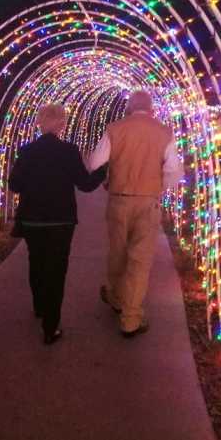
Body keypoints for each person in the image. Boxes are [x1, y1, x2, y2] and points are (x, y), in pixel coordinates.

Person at [8, 104, 106, 345]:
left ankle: (39, 305)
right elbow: (85, 184)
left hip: (32, 219)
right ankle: (50, 327)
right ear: (62, 124)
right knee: (57, 269)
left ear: (40, 123)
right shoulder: (69, 151)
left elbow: (14, 185)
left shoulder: (27, 151)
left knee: (36, 261)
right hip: (61, 220)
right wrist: (104, 170)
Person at [89, 90, 184, 338]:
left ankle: (116, 297)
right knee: (140, 261)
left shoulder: (115, 128)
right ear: (151, 109)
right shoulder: (164, 132)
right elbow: (174, 172)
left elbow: (95, 163)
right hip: (148, 202)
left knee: (118, 252)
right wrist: (155, 187)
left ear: (130, 108)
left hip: (119, 200)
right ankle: (130, 319)